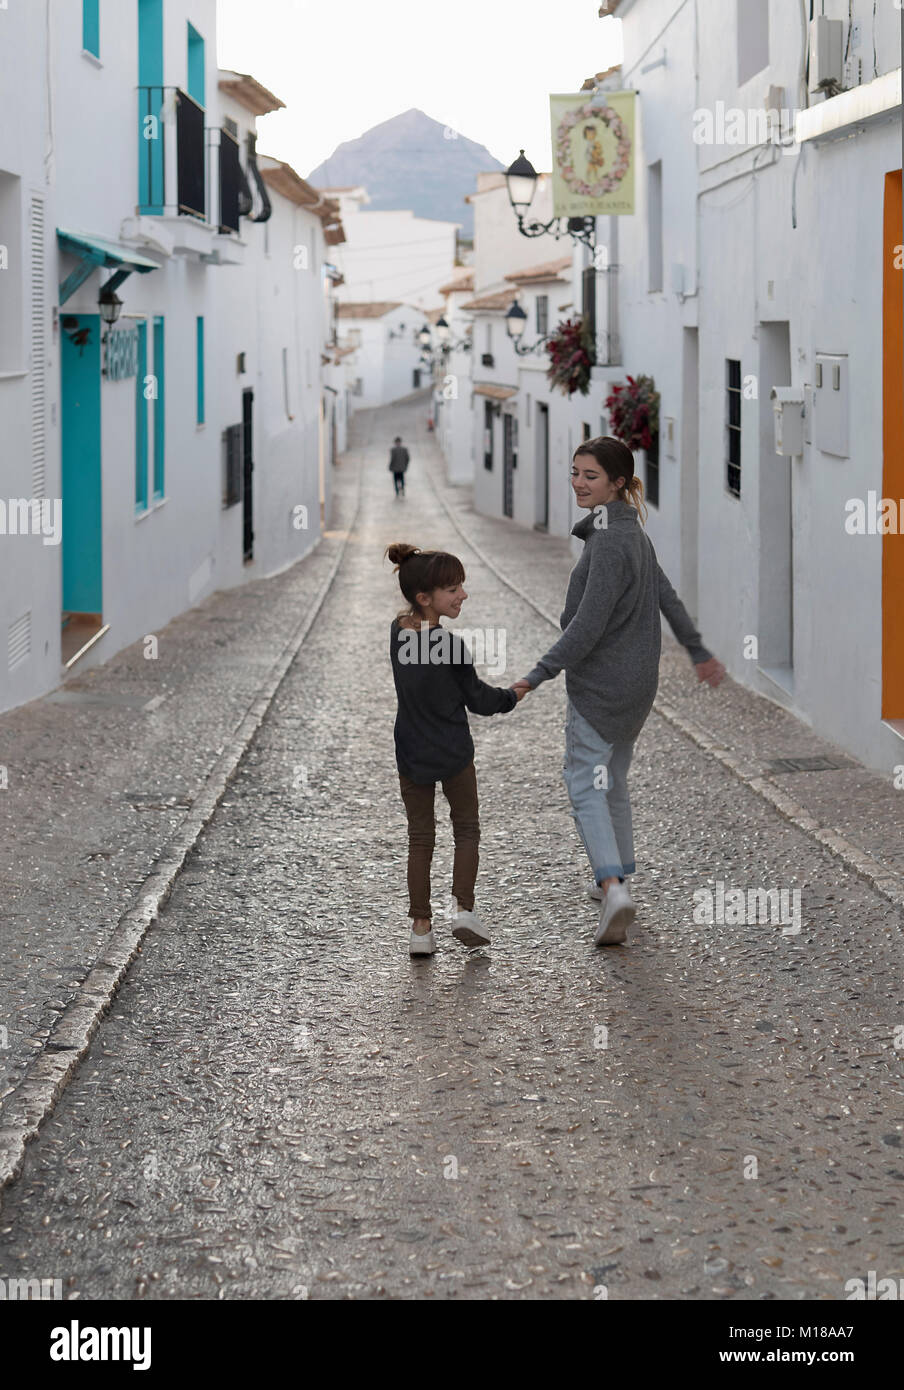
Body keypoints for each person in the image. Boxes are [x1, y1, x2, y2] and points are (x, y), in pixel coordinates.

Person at [512, 437, 725, 949]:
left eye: (591, 476)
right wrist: (697, 650)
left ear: (617, 483)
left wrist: (534, 676)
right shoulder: (630, 532)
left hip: (602, 684)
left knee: (583, 780)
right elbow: (666, 596)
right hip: (637, 685)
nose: (579, 483)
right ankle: (618, 877)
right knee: (613, 778)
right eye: (575, 472)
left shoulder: (608, 541)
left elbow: (587, 627)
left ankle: (611, 886)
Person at [386, 542, 526, 957]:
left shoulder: (398, 632)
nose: (462, 595)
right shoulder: (451, 647)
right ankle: (463, 909)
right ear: (426, 598)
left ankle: (420, 928)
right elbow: (479, 700)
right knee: (465, 829)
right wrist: (512, 695)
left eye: (461, 586)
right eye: (452, 589)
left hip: (411, 751)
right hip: (453, 753)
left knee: (420, 838)